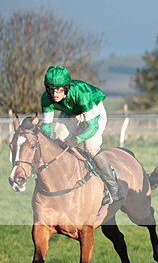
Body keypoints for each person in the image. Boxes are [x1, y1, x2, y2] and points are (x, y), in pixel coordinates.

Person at [40, 65, 124, 205]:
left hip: (94, 113)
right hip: (71, 113)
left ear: (66, 88)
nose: (55, 94)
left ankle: (113, 188)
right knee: (57, 142)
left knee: (90, 147)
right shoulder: (46, 99)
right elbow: (47, 127)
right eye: (51, 89)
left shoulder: (81, 94)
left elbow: (93, 126)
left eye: (59, 90)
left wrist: (76, 138)